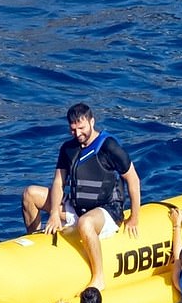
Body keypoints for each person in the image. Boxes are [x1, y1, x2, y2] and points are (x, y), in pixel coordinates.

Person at [22, 102, 141, 291]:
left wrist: (134, 217)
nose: (78, 134)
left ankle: (99, 277)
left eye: (82, 128)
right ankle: (37, 246)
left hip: (107, 211)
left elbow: (133, 180)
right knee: (30, 194)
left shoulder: (109, 146)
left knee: (85, 223)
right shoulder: (68, 149)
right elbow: (59, 183)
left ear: (92, 122)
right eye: (73, 129)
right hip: (77, 207)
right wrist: (53, 213)